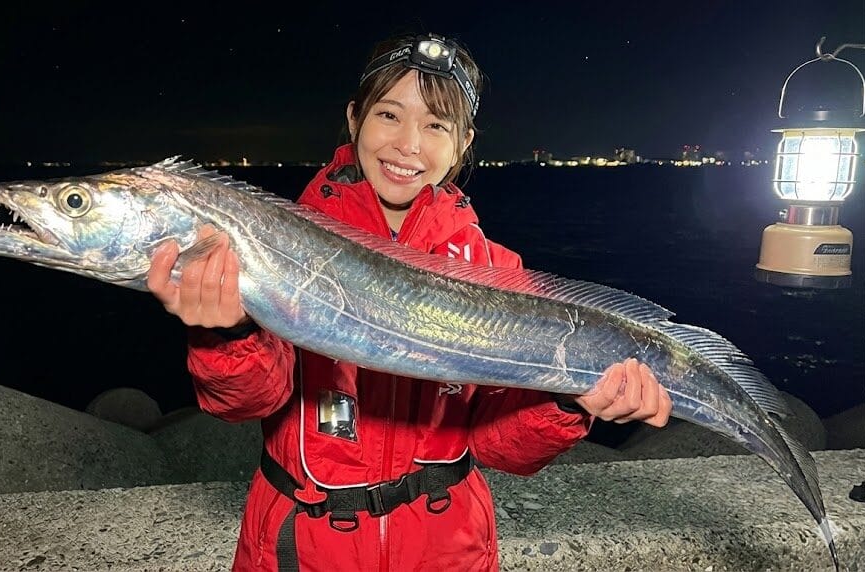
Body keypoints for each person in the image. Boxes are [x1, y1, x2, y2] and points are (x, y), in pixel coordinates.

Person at [147, 32, 673, 571]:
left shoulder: (495, 274)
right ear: (354, 120)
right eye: (389, 115)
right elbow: (246, 404)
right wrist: (226, 333)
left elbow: (498, 448)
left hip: (448, 548)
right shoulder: (276, 247)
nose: (408, 144)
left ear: (462, 144)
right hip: (302, 548)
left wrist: (572, 401)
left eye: (436, 126)